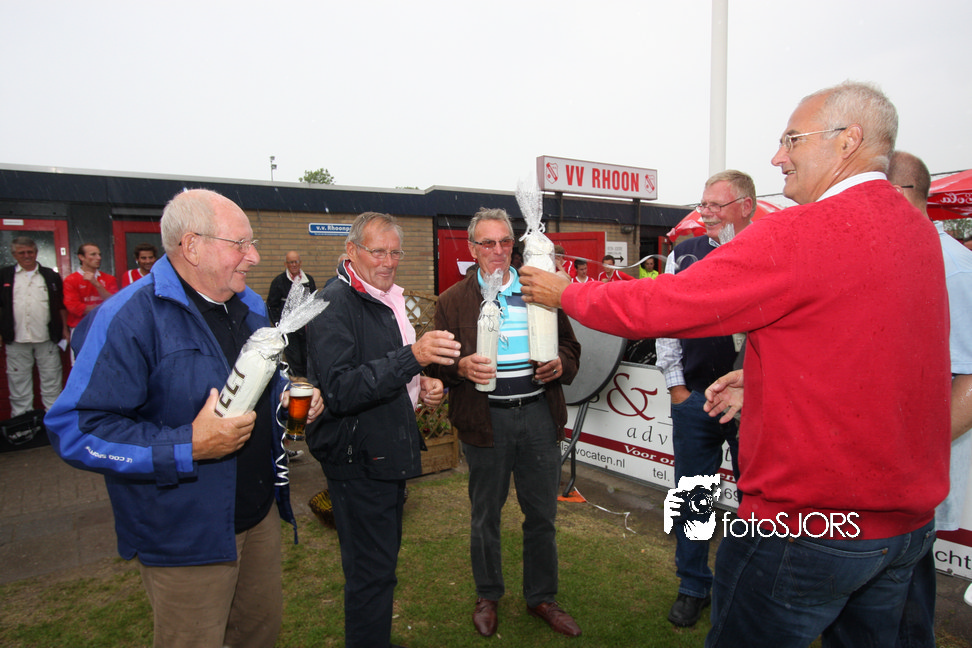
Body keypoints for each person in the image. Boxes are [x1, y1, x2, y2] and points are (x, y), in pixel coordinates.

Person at [520, 81, 950, 647]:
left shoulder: (801, 232)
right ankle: (690, 582)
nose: (778, 157)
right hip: (903, 526)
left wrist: (566, 293)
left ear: (849, 140)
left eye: (792, 140)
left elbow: (661, 306)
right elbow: (872, 346)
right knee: (694, 495)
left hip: (810, 524)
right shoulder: (918, 231)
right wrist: (752, 378)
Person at [46, 189, 321, 648]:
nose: (254, 257)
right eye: (241, 244)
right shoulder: (128, 317)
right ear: (192, 246)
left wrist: (287, 396)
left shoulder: (252, 306)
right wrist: (186, 446)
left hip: (259, 517)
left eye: (252, 244)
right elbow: (76, 429)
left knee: (260, 635)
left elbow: (258, 383)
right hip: (184, 536)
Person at [305, 212, 459, 648]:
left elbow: (387, 371)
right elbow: (340, 390)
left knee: (380, 569)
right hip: (358, 460)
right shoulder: (334, 303)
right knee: (370, 574)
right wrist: (413, 358)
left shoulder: (386, 297)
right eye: (378, 252)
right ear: (351, 251)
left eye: (395, 253)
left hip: (384, 452)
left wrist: (423, 385)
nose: (388, 262)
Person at [427, 208, 583, 638]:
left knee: (542, 515)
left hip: (537, 415)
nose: (498, 251)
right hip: (485, 421)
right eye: (488, 243)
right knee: (485, 516)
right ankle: (488, 595)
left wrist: (560, 363)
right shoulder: (453, 300)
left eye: (505, 242)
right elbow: (436, 365)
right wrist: (460, 367)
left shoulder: (540, 289)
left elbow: (571, 347)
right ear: (472, 248)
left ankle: (541, 597)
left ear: (514, 245)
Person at [654, 169, 756, 627]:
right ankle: (693, 586)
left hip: (754, 404)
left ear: (747, 205)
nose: (707, 214)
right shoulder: (685, 253)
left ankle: (748, 588)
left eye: (717, 205)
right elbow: (666, 318)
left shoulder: (769, 251)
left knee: (758, 500)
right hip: (696, 398)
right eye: (704, 205)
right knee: (694, 495)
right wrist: (677, 387)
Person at [888, 151, 972, 648]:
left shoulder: (951, 266)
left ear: (897, 194)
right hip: (884, 473)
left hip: (911, 476)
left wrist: (916, 457)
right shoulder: (899, 255)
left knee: (905, 600)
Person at [0, 237, 69, 416]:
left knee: (52, 382)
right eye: (21, 253)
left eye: (30, 252)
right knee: (18, 383)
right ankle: (23, 422)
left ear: (36, 253)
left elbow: (60, 305)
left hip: (47, 337)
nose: (27, 256)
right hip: (16, 338)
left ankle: (53, 421)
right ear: (14, 255)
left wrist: (64, 329)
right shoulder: (4, 275)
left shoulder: (50, 275)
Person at [266, 250, 317, 379]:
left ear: (300, 263)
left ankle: (309, 381)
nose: (294, 265)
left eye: (296, 262)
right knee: (294, 358)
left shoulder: (308, 280)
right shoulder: (279, 281)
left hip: (305, 328)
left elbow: (313, 302)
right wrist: (279, 324)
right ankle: (300, 382)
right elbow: (271, 305)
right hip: (289, 329)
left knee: (307, 356)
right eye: (290, 262)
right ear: (286, 264)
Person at [63, 243, 118, 331]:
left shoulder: (109, 279)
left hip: (104, 325)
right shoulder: (71, 279)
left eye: (99, 255)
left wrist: (97, 284)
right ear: (81, 257)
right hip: (80, 327)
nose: (99, 258)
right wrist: (103, 308)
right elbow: (73, 307)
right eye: (93, 254)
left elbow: (114, 302)